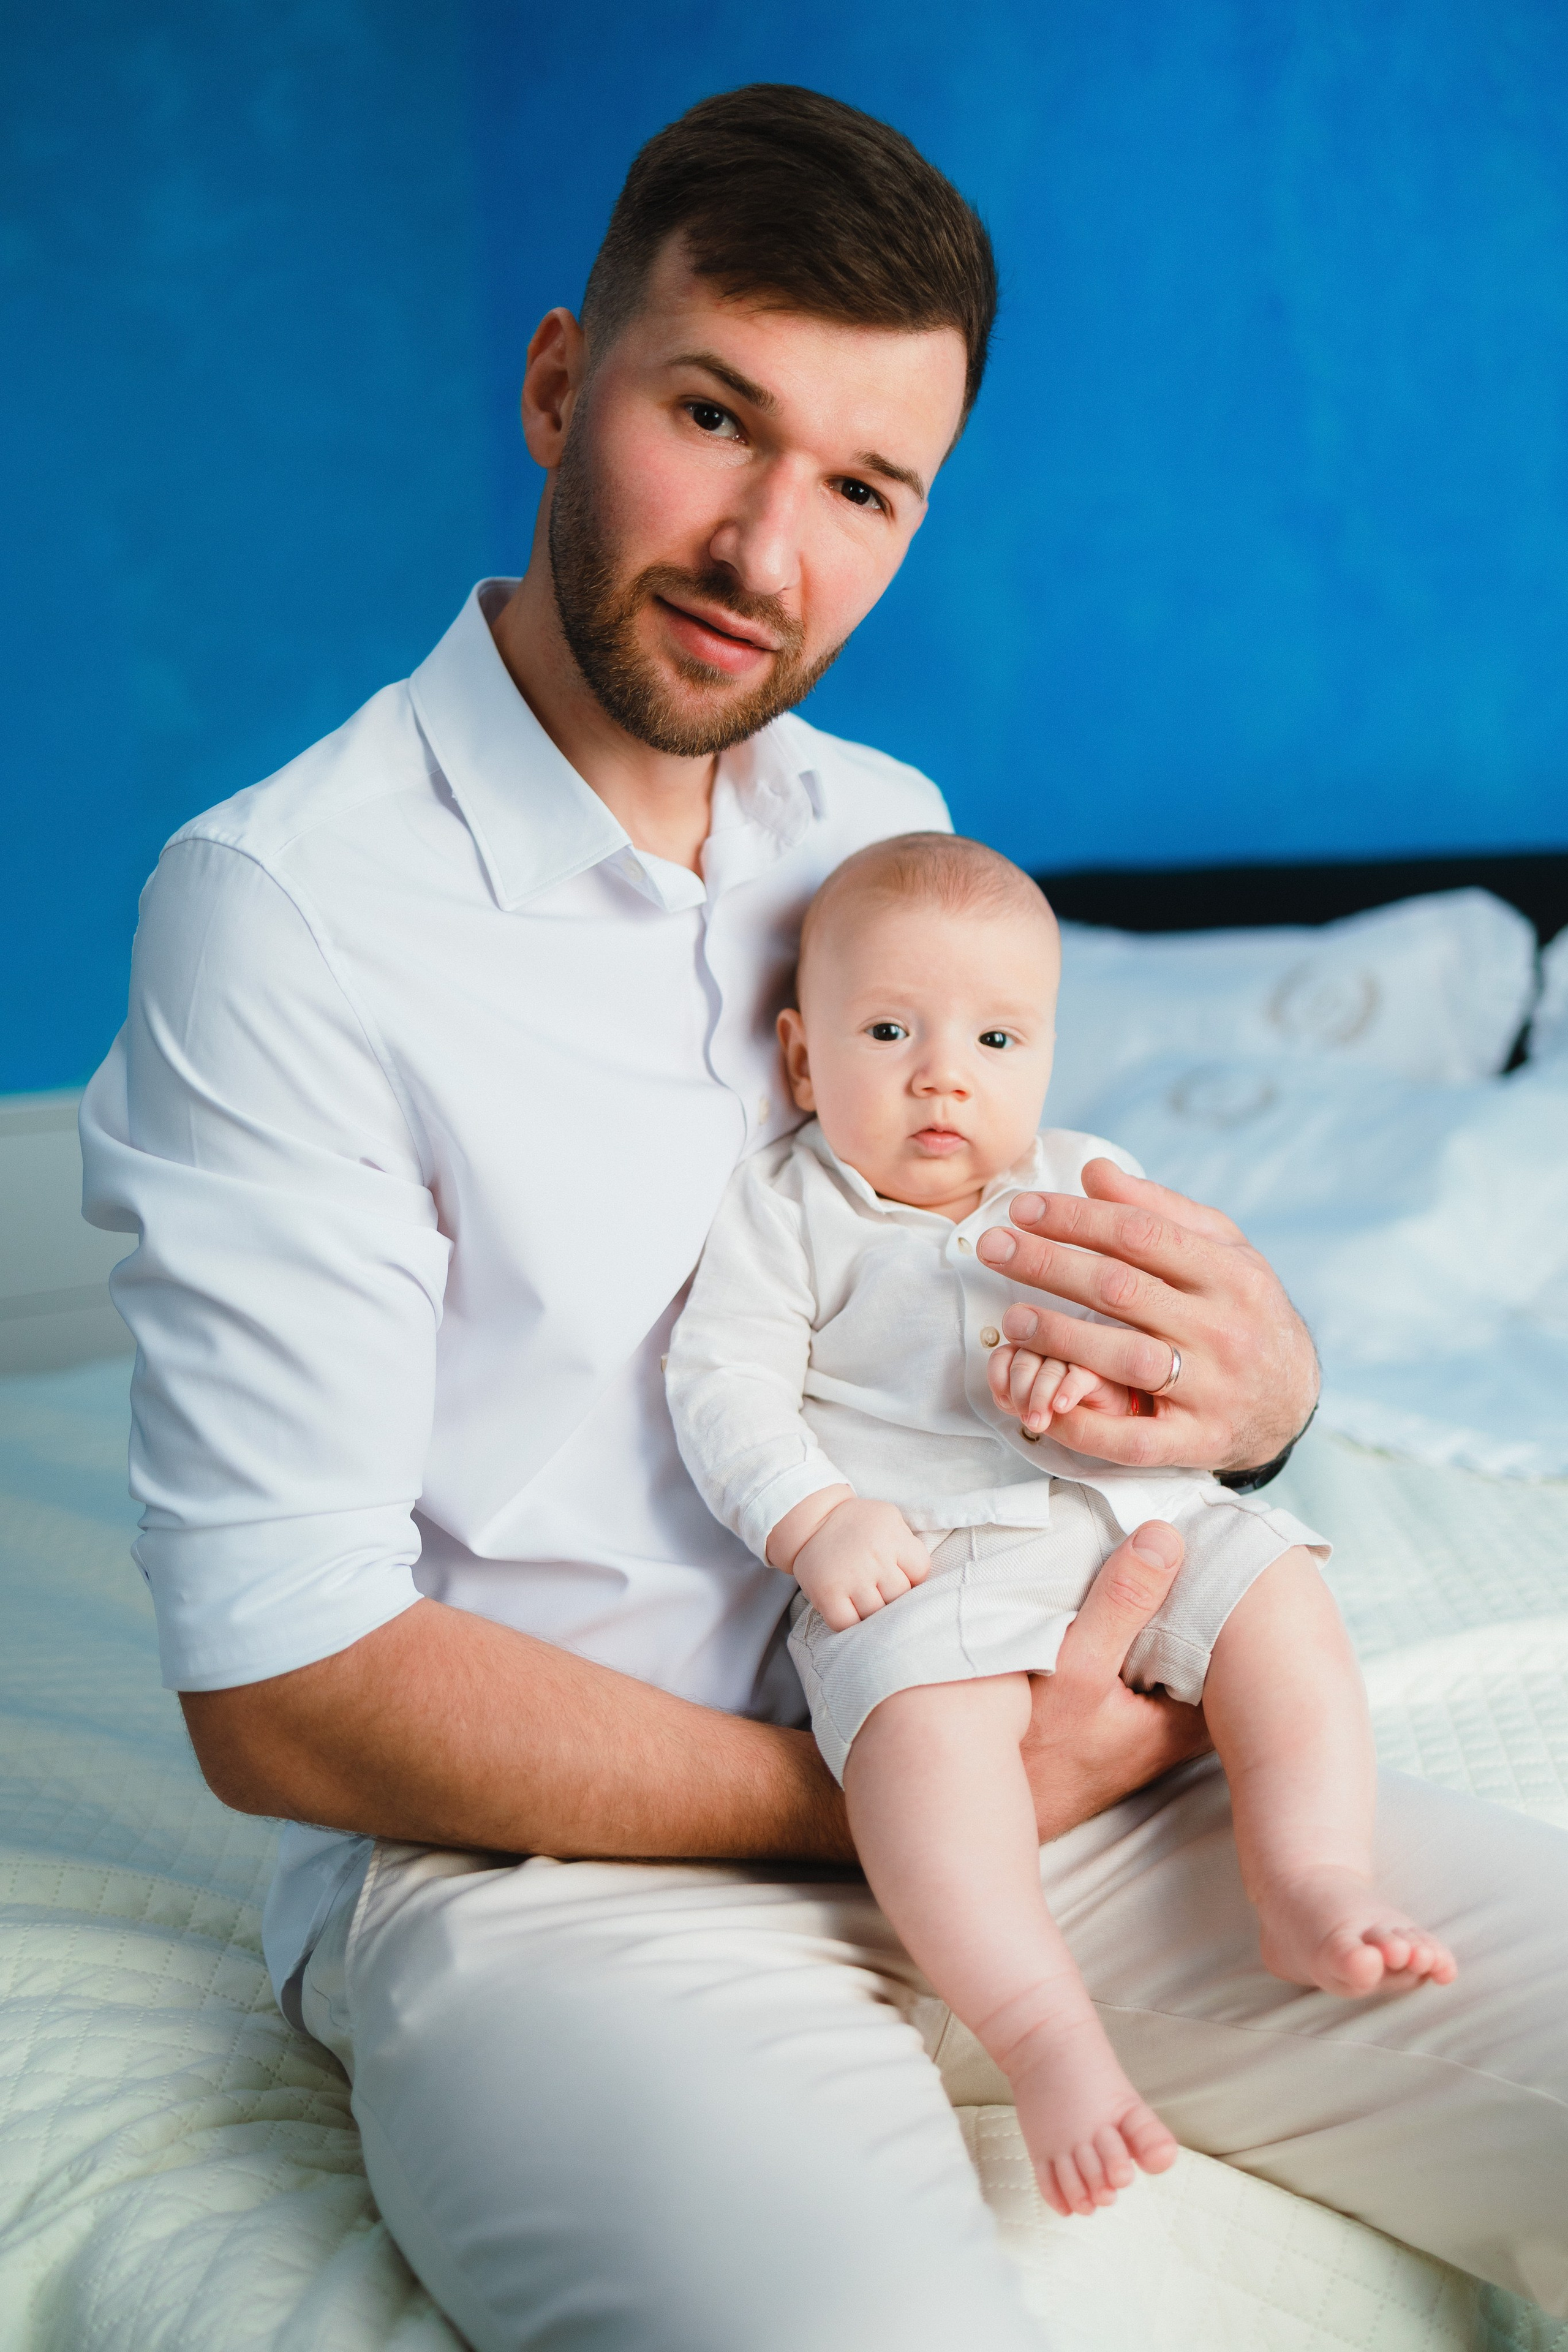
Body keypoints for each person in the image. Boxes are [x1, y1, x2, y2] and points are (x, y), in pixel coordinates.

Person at [78, 83, 1565, 2352]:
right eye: (714, 419)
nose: (773, 553)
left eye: (865, 487)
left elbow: (991, 1308)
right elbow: (284, 1689)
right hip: (560, 1890)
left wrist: (1250, 1415)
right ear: (566, 383)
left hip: (1055, 1763)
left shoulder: (880, 833)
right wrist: (888, 1789)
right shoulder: (286, 912)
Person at [666, 831, 1457, 2223]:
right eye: (888, 1029)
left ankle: (1308, 1876)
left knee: (1279, 1590)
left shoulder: (1087, 1177)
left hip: (1135, 1517)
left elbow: (1163, 1354)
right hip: (927, 1555)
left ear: (1044, 1056)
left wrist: (1093, 1369)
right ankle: (1042, 2034)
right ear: (799, 1059)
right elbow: (719, 1383)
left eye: (992, 1036)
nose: (940, 1073)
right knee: (922, 1737)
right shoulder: (785, 1209)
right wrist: (813, 1521)